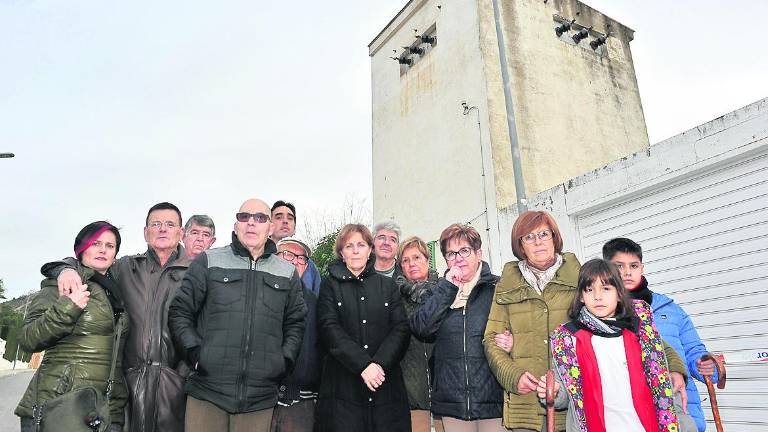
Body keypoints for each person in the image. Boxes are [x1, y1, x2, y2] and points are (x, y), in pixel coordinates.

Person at [484, 210, 689, 431]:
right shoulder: (506, 287)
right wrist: (514, 377)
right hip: (525, 406)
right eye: (529, 237)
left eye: (544, 234)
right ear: (520, 244)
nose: (538, 242)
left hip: (574, 404)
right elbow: (491, 340)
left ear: (555, 237)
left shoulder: (583, 280)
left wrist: (675, 368)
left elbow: (638, 330)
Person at [43, 202, 192, 432]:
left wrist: (181, 376)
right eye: (156, 224)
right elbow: (88, 262)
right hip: (128, 386)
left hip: (174, 389)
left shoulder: (196, 273)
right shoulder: (124, 267)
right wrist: (66, 269)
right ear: (145, 232)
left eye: (170, 224)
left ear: (180, 232)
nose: (162, 229)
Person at [168, 198, 307, 432]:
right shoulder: (209, 261)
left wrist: (283, 361)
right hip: (207, 391)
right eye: (245, 217)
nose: (251, 223)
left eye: (260, 218)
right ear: (236, 226)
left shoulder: (286, 272)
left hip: (259, 398)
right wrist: (195, 353)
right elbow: (180, 312)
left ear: (270, 227)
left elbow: (296, 322)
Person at [536, 259, 683, 432]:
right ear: (582, 296)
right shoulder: (568, 340)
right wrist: (551, 392)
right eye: (590, 290)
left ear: (619, 293)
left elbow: (662, 383)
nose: (598, 296)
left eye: (606, 289)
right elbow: (565, 398)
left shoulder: (641, 332)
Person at [17, 221, 129, 432]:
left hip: (104, 410)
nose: (103, 250)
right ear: (81, 248)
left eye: (110, 246)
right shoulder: (63, 284)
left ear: (115, 255)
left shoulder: (116, 291)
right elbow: (27, 338)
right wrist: (67, 307)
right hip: (60, 406)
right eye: (96, 243)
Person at [604, 237, 714, 432]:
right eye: (619, 266)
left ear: (642, 268)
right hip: (631, 416)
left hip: (680, 409)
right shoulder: (602, 314)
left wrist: (704, 364)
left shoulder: (670, 309)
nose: (627, 272)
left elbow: (693, 350)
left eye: (634, 265)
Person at [315, 224, 411, 432]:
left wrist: (378, 365)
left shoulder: (388, 286)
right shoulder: (329, 285)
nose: (356, 250)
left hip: (384, 385)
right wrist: (363, 365)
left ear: (370, 250)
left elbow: (400, 329)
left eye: (361, 244)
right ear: (342, 253)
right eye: (349, 246)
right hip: (342, 388)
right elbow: (328, 328)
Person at [410, 224, 505, 432]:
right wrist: (448, 288)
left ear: (478, 253)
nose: (458, 258)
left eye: (464, 251)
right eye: (451, 254)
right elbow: (421, 328)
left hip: (494, 399)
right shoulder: (439, 291)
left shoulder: (498, 288)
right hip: (453, 403)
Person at [271, 237, 321, 432]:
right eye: (287, 254)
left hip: (300, 402)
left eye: (301, 258)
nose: (294, 261)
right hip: (260, 399)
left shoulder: (315, 303)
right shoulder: (258, 293)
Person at [394, 236, 443, 432]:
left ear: (427, 260)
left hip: (445, 395)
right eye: (405, 260)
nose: (411, 263)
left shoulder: (445, 291)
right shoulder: (395, 299)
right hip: (411, 393)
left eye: (416, 257)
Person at [272, 200, 322, 296]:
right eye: (279, 217)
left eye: (290, 218)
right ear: (269, 226)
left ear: (294, 228)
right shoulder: (258, 260)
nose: (285, 221)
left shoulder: (310, 267)